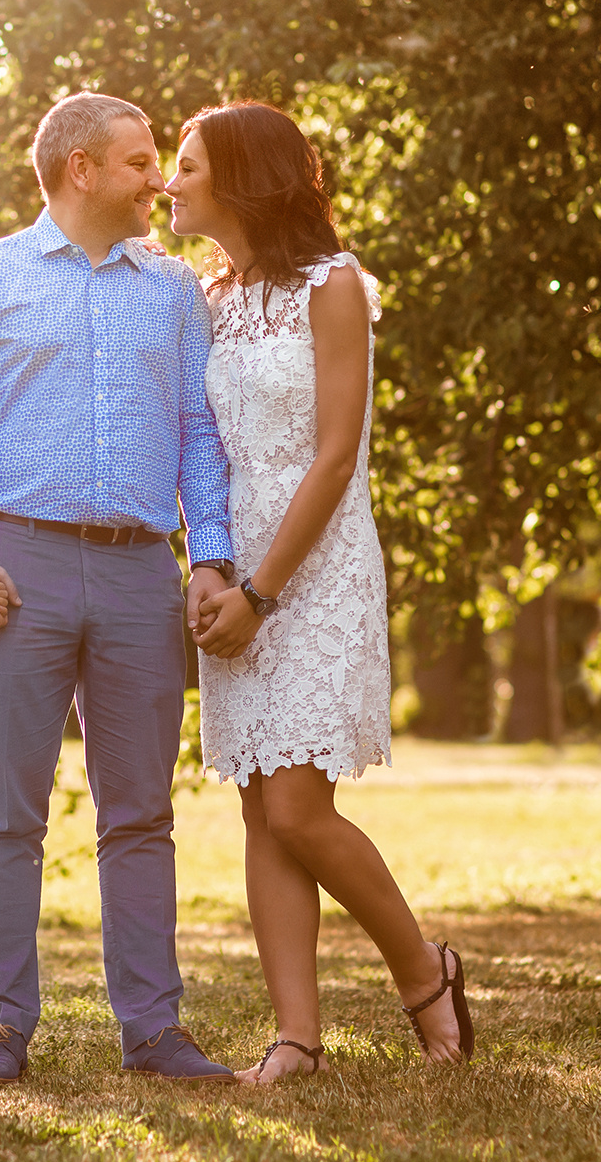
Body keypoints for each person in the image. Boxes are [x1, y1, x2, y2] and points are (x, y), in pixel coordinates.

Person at [0, 91, 240, 1085]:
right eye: (141, 162)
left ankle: (153, 1029)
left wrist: (212, 555)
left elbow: (198, 433)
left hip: (144, 570)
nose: (159, 180)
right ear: (80, 169)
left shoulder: (174, 291)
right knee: (8, 811)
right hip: (20, 565)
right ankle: (0, 1027)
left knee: (141, 812)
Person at [168, 101, 474, 1079]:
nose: (170, 183)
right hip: (236, 570)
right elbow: (202, 449)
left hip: (317, 567)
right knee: (261, 812)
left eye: (187, 166)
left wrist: (262, 592)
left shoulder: (333, 285)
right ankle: (296, 1036)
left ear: (241, 178)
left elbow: (337, 454)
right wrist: (211, 567)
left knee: (300, 809)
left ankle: (425, 972)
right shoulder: (207, 300)